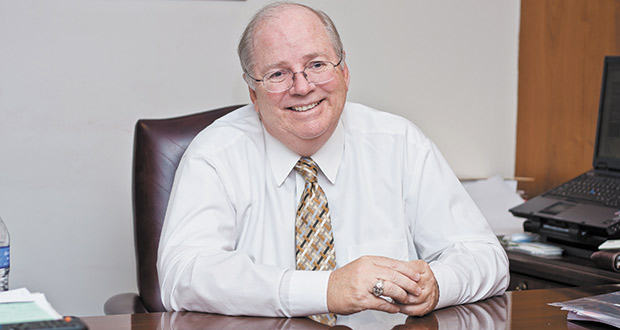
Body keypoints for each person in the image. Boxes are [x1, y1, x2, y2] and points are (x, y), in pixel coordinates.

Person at [157, 1, 509, 320]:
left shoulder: (398, 143)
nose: (302, 86)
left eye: (317, 64)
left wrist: (437, 285)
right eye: (278, 74)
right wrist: (327, 290)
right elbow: (184, 274)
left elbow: (485, 257)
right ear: (253, 92)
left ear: (344, 72)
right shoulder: (216, 154)